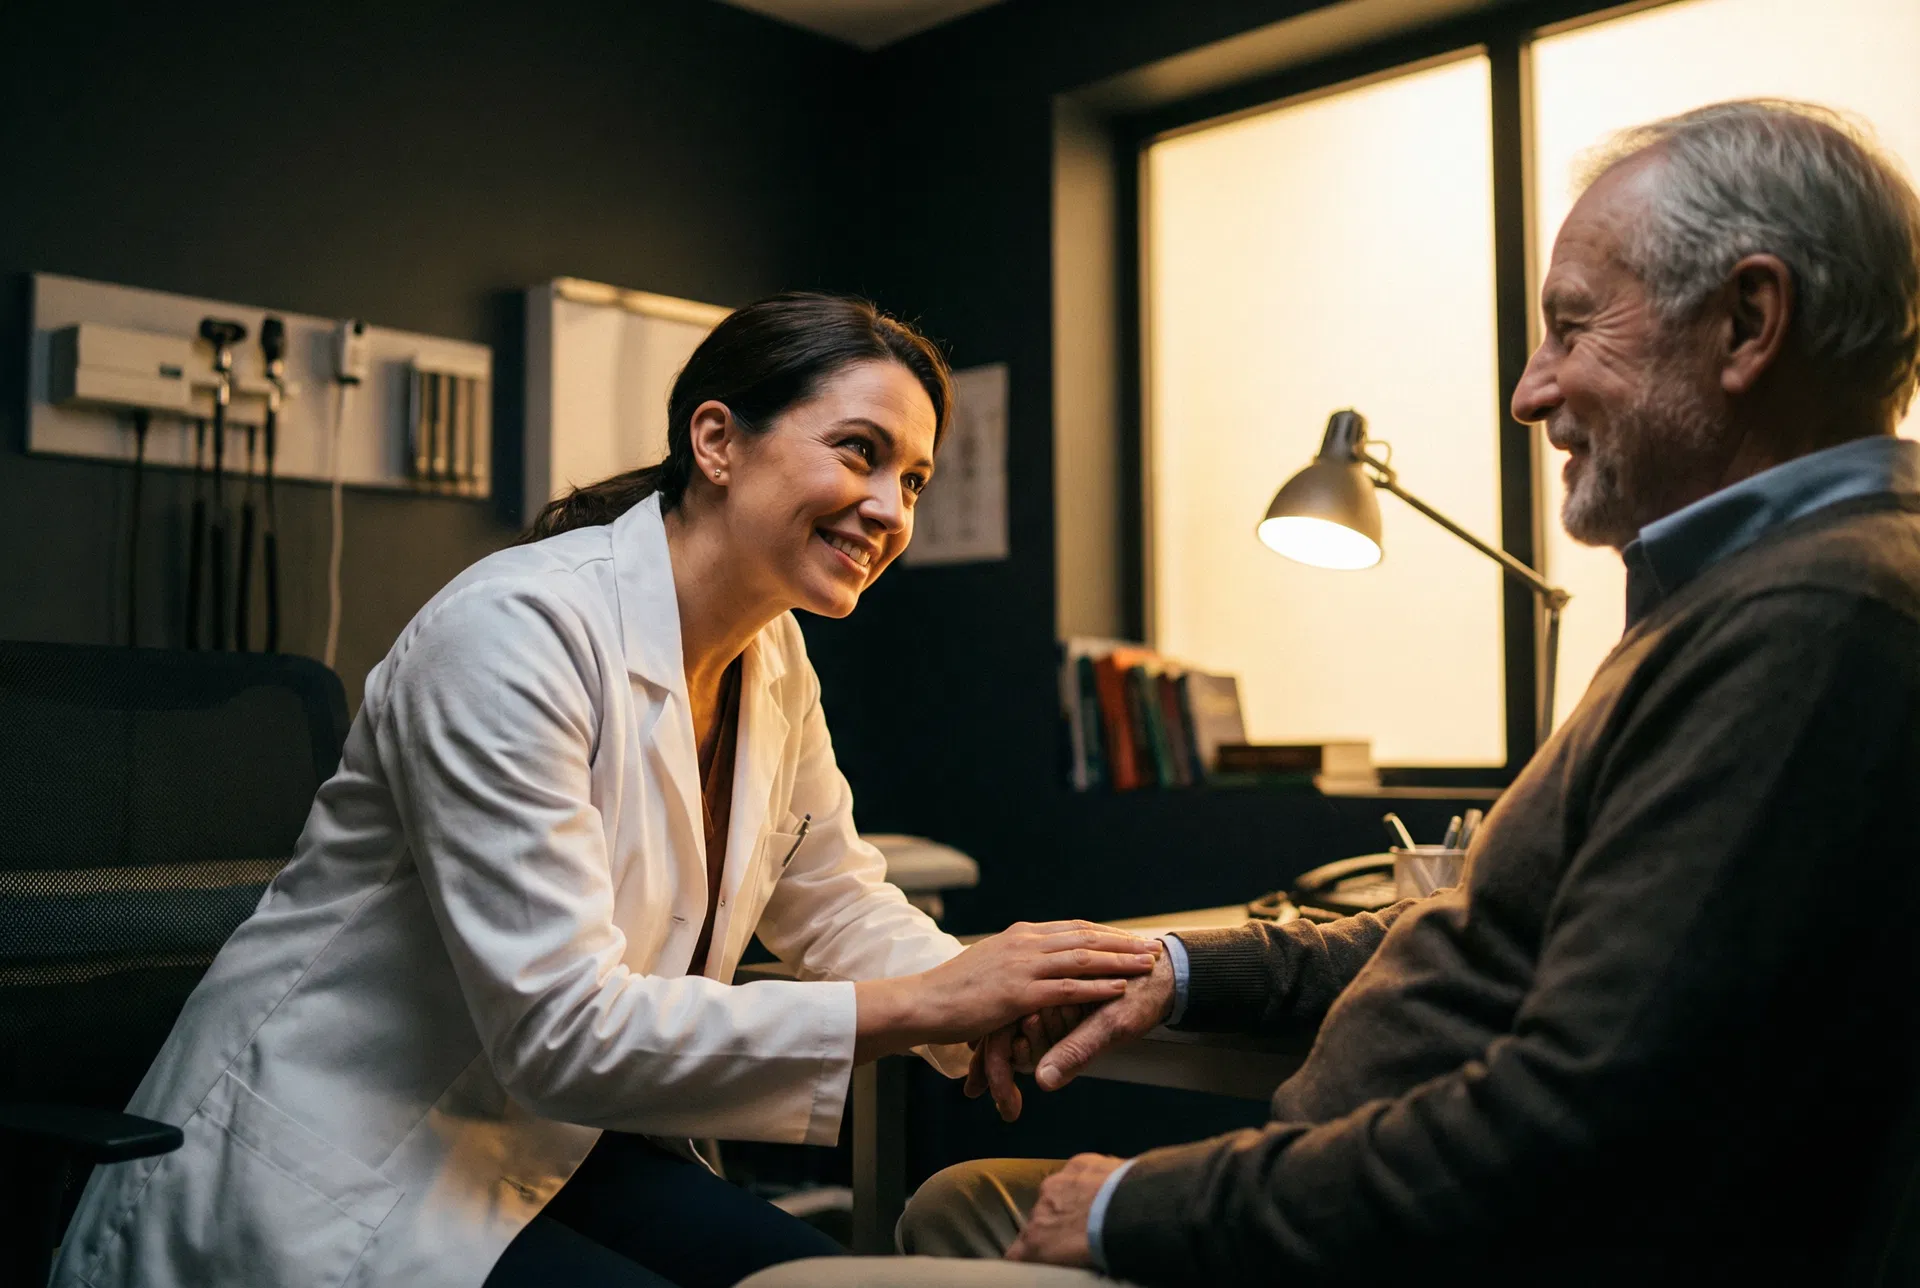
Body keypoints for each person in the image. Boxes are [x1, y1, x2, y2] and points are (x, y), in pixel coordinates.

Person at [741, 100, 1920, 1288]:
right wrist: (1183, 965)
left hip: (1390, 1249)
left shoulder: (1814, 625)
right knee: (959, 1207)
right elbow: (1493, 939)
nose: (1530, 392)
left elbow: (1579, 1124)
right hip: (1344, 1197)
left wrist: (1133, 1210)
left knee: (796, 1280)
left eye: (1570, 329)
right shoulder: (1757, 600)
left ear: (1749, 323)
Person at [52, 293, 1163, 1288]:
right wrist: (930, 1005)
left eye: (912, 479)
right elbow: (559, 1029)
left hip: (554, 1144)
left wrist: (988, 994)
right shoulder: (513, 633)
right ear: (718, 441)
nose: (888, 508)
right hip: (349, 1164)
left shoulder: (770, 654)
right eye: (859, 453)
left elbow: (831, 897)